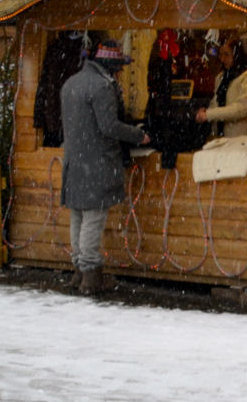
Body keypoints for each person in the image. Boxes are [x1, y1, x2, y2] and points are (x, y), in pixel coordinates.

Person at [59, 32, 149, 295]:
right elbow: (108, 126)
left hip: (74, 160)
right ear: (112, 66)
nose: (121, 72)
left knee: (78, 215)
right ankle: (91, 277)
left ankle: (78, 272)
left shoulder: (71, 83)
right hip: (97, 161)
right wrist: (137, 135)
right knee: (93, 219)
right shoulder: (101, 86)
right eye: (119, 67)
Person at [196, 38, 247, 139]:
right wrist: (205, 112)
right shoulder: (222, 77)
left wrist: (210, 114)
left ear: (237, 55)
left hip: (240, 137)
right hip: (219, 137)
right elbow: (216, 103)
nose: (222, 59)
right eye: (221, 54)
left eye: (226, 54)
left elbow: (243, 108)